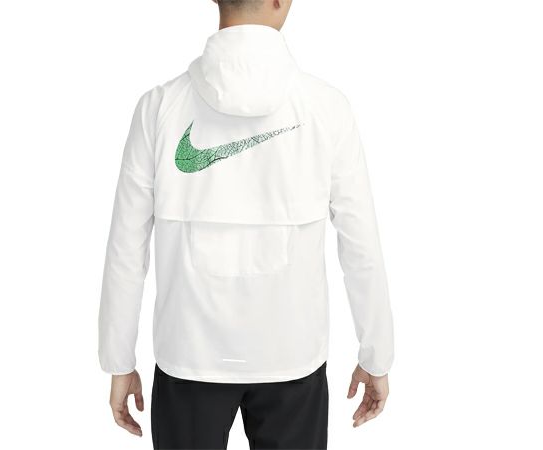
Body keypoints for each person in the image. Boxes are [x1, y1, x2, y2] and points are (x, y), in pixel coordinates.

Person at [98, 0, 394, 448]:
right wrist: (377, 355)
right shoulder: (327, 108)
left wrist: (119, 361)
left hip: (189, 355)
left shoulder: (159, 107)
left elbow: (126, 247)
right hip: (292, 356)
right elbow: (361, 246)